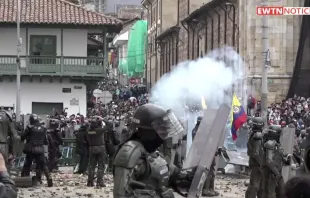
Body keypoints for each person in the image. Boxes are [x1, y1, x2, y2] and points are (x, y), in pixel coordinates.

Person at [113, 104, 195, 198]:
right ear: (148, 131)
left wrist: (185, 177)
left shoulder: (152, 151)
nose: (164, 135)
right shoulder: (129, 153)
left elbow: (167, 171)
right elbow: (121, 194)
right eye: (161, 130)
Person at [20, 114, 53, 187]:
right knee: (42, 164)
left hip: (31, 148)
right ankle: (48, 177)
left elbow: (22, 137)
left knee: (27, 164)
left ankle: (26, 178)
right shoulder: (43, 128)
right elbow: (46, 141)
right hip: (40, 148)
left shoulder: (29, 127)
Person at [261, 125, 291, 198]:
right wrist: (276, 172)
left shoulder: (277, 144)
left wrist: (287, 159)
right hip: (271, 173)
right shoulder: (270, 143)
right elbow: (269, 160)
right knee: (270, 193)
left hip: (277, 173)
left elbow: (280, 157)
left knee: (282, 192)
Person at [245, 117, 264, 198]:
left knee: (254, 184)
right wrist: (262, 164)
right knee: (255, 185)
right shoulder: (258, 136)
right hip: (257, 163)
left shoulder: (253, 134)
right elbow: (256, 153)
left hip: (254, 162)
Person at [86, 118, 107, 187]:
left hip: (92, 148)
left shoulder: (88, 131)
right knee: (101, 166)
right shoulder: (99, 130)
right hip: (101, 148)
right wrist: (103, 120)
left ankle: (90, 182)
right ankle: (99, 182)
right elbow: (108, 126)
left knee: (91, 166)